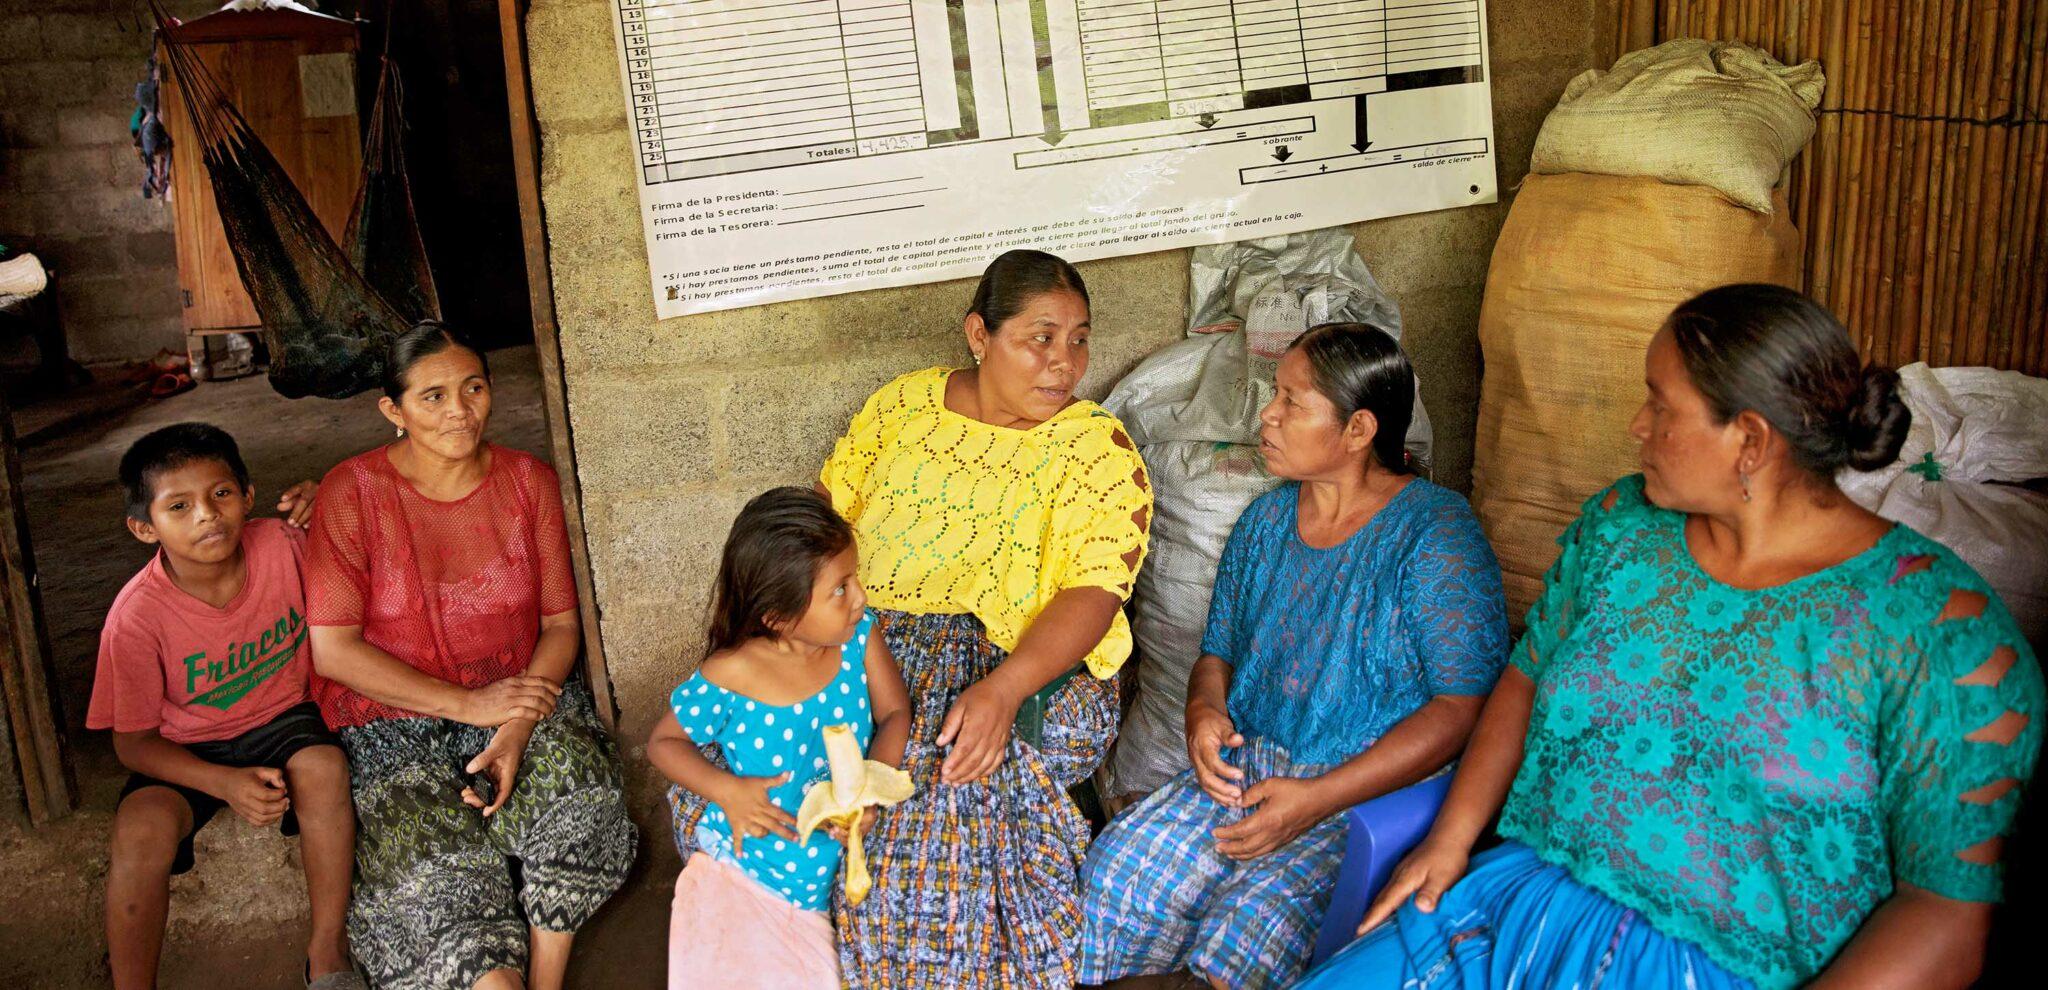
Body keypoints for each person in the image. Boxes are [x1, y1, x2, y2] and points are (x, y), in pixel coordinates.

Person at [1304, 284, 2045, 990]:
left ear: (1749, 440)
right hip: (1503, 913)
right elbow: (1526, 677)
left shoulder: (1938, 630)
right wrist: (1450, 839)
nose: (1637, 425)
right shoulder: (1623, 530)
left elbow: (1945, 911)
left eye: (1661, 406)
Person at [1074, 323, 1510, 990]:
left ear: (1359, 430)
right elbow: (1217, 651)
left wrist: (1316, 799)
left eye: (1291, 403)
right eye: (1274, 396)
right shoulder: (1266, 522)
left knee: (1248, 928)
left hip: (1367, 790)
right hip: (1251, 773)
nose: (1266, 417)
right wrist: (1202, 710)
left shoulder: (1436, 533)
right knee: (1114, 876)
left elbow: (1462, 706)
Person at [819, 249, 1151, 987]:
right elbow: (824, 528)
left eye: (1079, 339)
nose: (1065, 363)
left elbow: (1095, 594)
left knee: (933, 795)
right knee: (760, 777)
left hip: (1030, 666)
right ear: (978, 335)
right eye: (1041, 337)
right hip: (872, 642)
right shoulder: (903, 407)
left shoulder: (1097, 446)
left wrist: (1002, 693)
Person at [305, 321, 634, 990]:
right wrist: (467, 704)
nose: (459, 410)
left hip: (519, 700)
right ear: (392, 411)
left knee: (580, 794)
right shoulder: (352, 493)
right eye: (431, 397)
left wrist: (511, 727)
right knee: (438, 888)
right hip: (393, 726)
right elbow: (333, 652)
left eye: (473, 387)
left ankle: (546, 976)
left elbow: (560, 625)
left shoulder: (527, 482)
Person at [88, 423, 362, 990]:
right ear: (144, 528)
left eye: (221, 494)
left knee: (326, 769)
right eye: (179, 506)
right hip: (188, 747)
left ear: (249, 495)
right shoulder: (136, 618)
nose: (207, 516)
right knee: (140, 830)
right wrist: (222, 781)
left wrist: (331, 497)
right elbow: (133, 743)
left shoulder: (284, 547)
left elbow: (362, 555)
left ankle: (327, 954)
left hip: (286, 717)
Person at [650, 486, 911, 990]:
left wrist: (867, 785)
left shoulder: (858, 638)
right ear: (777, 617)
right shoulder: (731, 675)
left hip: (823, 889)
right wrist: (728, 791)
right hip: (743, 873)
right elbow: (664, 742)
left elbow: (896, 711)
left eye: (854, 579)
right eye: (840, 588)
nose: (859, 597)